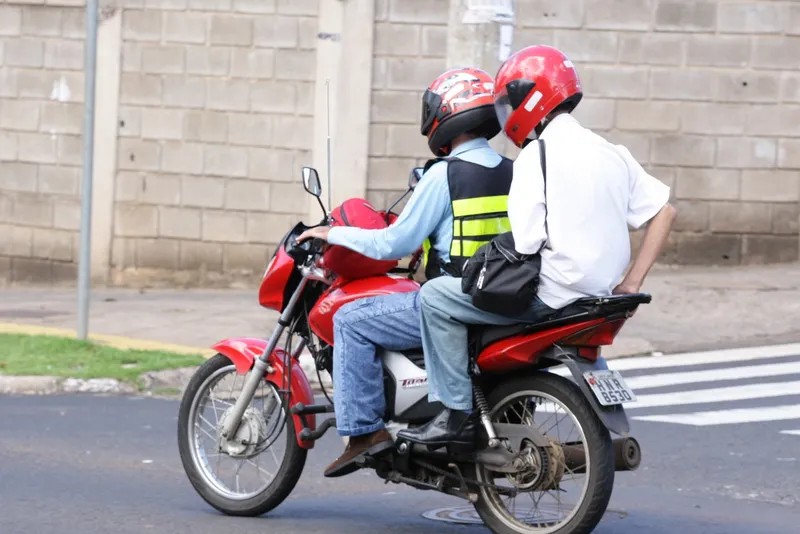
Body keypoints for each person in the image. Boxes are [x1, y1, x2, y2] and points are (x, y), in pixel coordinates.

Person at [397, 45, 678, 450]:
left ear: (532, 97)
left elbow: (526, 241)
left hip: (552, 296)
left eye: (509, 103)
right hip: (601, 298)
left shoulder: (536, 156)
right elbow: (664, 212)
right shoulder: (612, 152)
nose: (507, 114)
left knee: (436, 297)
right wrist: (632, 282)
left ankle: (455, 413)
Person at [297, 68, 516, 477]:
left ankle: (364, 434)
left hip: (453, 301)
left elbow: (392, 245)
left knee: (351, 320)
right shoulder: (512, 170)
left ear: (444, 115)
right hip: (503, 298)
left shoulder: (444, 175)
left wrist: (336, 233)